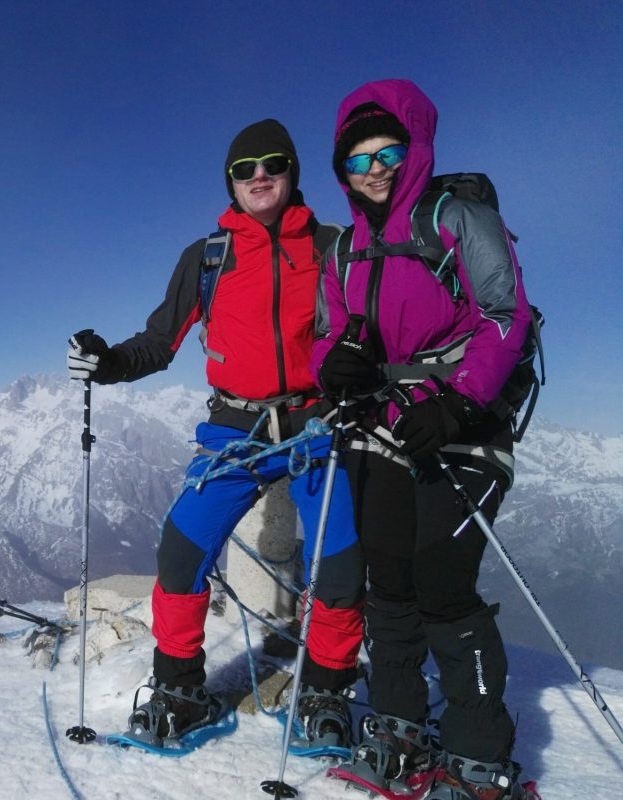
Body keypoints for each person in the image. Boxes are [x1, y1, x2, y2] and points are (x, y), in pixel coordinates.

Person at [67, 119, 365, 751]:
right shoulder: (208, 257)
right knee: (180, 550)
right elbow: (158, 342)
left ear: (293, 173)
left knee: (340, 562)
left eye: (273, 164)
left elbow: (370, 329)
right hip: (236, 426)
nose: (260, 176)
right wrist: (107, 362)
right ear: (230, 182)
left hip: (316, 423)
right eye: (245, 168)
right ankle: (179, 689)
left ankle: (325, 692)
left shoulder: (335, 245)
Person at [314, 79, 537, 799]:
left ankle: (479, 757)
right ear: (341, 169)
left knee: (442, 582)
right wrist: (335, 367)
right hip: (384, 425)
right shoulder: (346, 246)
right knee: (391, 580)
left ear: (414, 150)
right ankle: (397, 727)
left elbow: (505, 318)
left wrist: (457, 401)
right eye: (357, 159)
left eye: (388, 151)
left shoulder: (459, 219)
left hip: (462, 428)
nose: (374, 168)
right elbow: (326, 334)